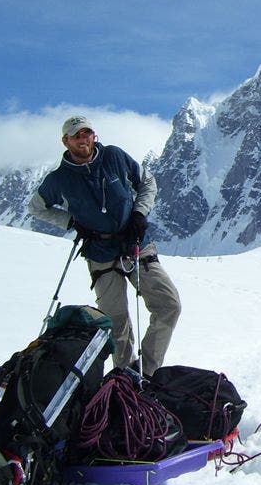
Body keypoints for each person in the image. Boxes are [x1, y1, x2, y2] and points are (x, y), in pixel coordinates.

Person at [28, 115, 181, 376]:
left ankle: (147, 371)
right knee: (117, 322)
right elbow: (36, 208)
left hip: (136, 244)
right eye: (76, 135)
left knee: (169, 305)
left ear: (93, 135)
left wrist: (139, 214)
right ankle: (124, 376)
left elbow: (147, 182)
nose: (83, 139)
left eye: (87, 133)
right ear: (66, 141)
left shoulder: (114, 156)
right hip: (100, 253)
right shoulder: (60, 178)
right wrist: (72, 222)